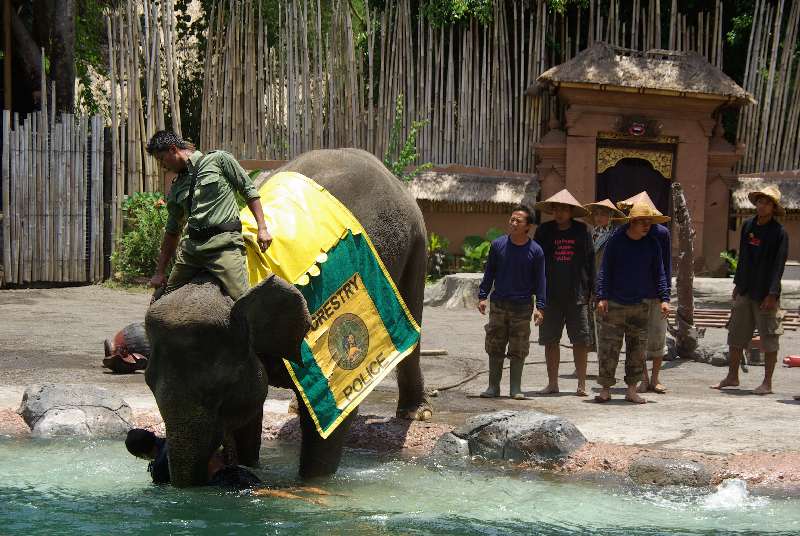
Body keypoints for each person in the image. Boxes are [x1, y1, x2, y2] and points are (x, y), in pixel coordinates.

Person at [146, 131, 271, 301]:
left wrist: (262, 228)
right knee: (164, 300)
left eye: (161, 159)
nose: (162, 166)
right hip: (192, 252)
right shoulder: (176, 187)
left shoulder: (218, 160)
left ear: (173, 149)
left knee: (243, 302)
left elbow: (248, 191)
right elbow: (172, 231)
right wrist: (159, 272)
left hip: (224, 246)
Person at [712, 186, 788, 395]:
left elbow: (778, 265)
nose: (762, 205)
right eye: (760, 201)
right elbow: (743, 257)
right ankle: (732, 376)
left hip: (766, 294)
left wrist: (772, 294)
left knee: (769, 339)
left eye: (767, 203)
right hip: (745, 289)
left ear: (773, 208)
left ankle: (767, 383)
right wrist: (738, 285)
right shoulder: (748, 226)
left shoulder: (779, 233)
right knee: (736, 335)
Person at [595, 202, 670, 404]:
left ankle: (631, 390)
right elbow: (605, 270)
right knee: (609, 348)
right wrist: (602, 296)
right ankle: (605, 389)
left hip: (640, 303)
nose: (646, 225)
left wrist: (664, 299)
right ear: (632, 222)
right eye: (642, 221)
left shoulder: (652, 244)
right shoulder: (616, 241)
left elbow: (659, 273)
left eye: (649, 222)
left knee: (637, 350)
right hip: (614, 303)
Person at [477, 205, 546, 399]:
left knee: (519, 347)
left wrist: (540, 307)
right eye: (512, 219)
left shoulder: (536, 251)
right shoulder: (498, 245)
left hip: (522, 307)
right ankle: (493, 387)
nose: (513, 223)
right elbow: (489, 273)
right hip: (499, 304)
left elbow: (541, 281)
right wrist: (482, 296)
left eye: (518, 221)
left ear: (528, 226)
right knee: (495, 345)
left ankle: (515, 388)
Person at [533, 189, 594, 396]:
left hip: (577, 295)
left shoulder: (582, 231)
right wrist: (537, 293)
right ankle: (553, 383)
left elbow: (590, 261)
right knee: (550, 340)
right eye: (556, 209)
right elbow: (537, 262)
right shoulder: (544, 231)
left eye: (564, 209)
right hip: (550, 295)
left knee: (581, 340)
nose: (559, 213)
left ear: (571, 212)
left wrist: (593, 290)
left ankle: (581, 384)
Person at [616, 192, 672, 395]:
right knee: (637, 339)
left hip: (656, 292)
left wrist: (665, 295)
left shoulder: (661, 233)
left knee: (658, 336)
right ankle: (644, 378)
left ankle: (655, 378)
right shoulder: (623, 232)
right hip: (634, 293)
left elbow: (666, 265)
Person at [125, 428, 262, 489]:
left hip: (223, 482)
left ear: (141, 455)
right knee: (263, 490)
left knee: (260, 493)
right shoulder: (174, 440)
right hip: (236, 472)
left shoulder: (160, 465)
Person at [583, 199, 625, 354]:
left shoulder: (616, 236)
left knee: (606, 320)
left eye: (603, 214)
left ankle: (606, 354)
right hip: (591, 281)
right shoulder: (591, 234)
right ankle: (590, 350)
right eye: (596, 214)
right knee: (590, 319)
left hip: (608, 282)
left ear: (611, 216)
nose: (599, 217)